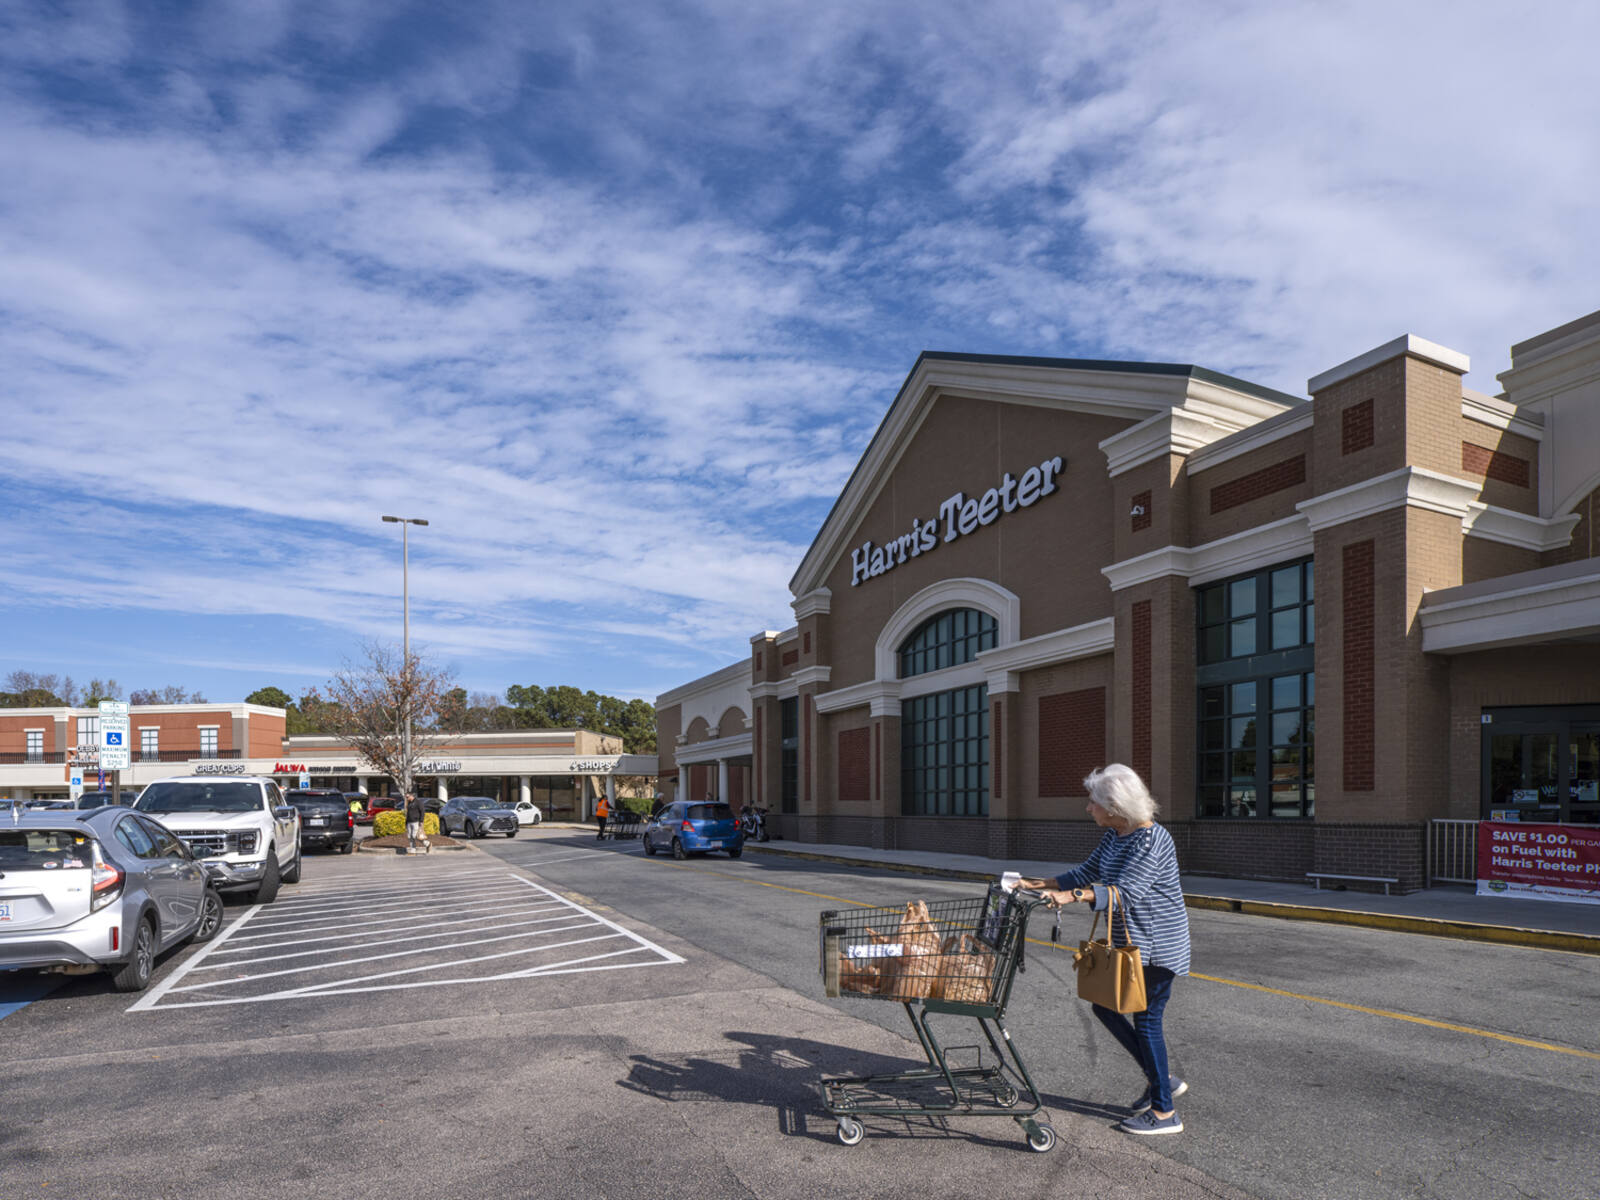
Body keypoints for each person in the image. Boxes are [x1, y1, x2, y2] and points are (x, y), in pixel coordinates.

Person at [1017, 763, 1191, 1136]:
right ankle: (1160, 1078)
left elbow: (1126, 892)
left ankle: (1164, 1113)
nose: (1088, 808)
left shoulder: (1151, 839)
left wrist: (1071, 897)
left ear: (1115, 805)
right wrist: (1035, 884)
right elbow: (1086, 871)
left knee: (1146, 1021)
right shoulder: (1117, 834)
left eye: (1093, 801)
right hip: (1131, 944)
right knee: (1104, 1006)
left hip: (1158, 946)